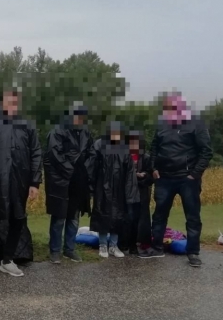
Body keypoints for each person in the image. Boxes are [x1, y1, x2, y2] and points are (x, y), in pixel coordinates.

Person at [0, 89, 41, 279]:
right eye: (8, 101)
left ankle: (7, 260)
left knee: (18, 219)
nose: (11, 104)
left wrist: (35, 182)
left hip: (21, 182)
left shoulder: (27, 125)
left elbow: (36, 153)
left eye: (14, 101)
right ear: (1, 103)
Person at [144, 92, 213, 267]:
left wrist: (195, 174)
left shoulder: (196, 123)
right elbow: (154, 148)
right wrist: (153, 168)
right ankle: (156, 247)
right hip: (164, 178)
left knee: (192, 216)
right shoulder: (162, 124)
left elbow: (206, 151)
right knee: (159, 215)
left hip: (187, 179)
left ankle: (193, 252)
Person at [43, 103, 94, 264]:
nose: (79, 118)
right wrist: (71, 171)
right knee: (59, 217)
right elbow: (54, 155)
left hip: (79, 182)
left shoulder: (86, 133)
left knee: (74, 217)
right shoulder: (57, 132)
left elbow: (91, 154)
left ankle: (69, 249)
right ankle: (55, 250)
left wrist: (85, 171)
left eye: (82, 115)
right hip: (61, 181)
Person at [88, 122, 139, 259]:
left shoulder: (124, 148)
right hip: (102, 187)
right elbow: (91, 166)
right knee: (102, 216)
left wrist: (130, 192)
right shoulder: (99, 145)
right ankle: (102, 245)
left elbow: (130, 172)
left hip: (119, 189)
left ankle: (113, 245)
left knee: (118, 217)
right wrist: (91, 187)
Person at [125, 131, 154, 254]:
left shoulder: (146, 157)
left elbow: (151, 176)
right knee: (128, 217)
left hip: (141, 192)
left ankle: (140, 243)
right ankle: (126, 243)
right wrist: (133, 175)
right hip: (127, 192)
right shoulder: (124, 156)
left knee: (141, 218)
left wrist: (143, 176)